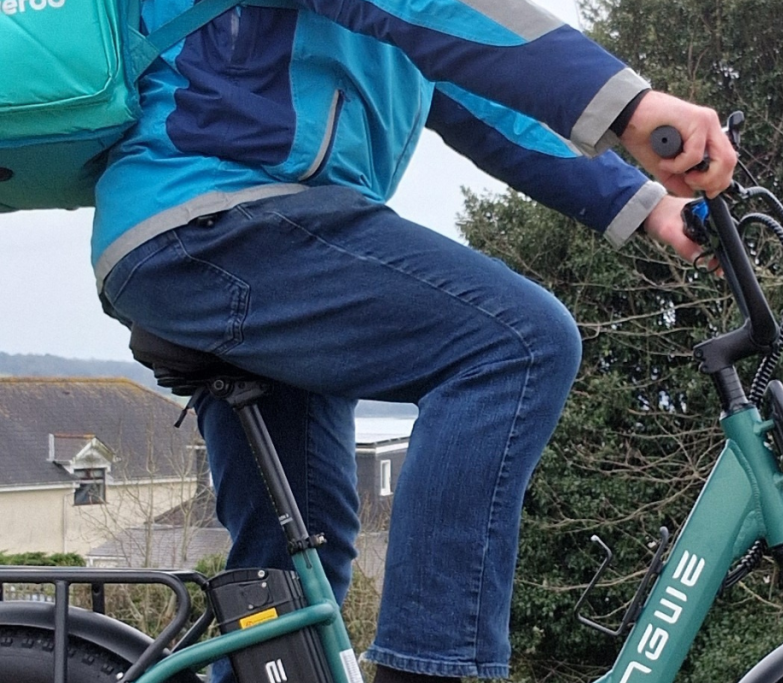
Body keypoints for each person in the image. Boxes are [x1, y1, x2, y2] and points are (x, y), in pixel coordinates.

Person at [93, 1, 737, 682]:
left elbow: (477, 93)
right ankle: (428, 672)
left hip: (244, 228)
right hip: (214, 218)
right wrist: (630, 107)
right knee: (518, 343)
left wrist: (649, 206)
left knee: (296, 573)